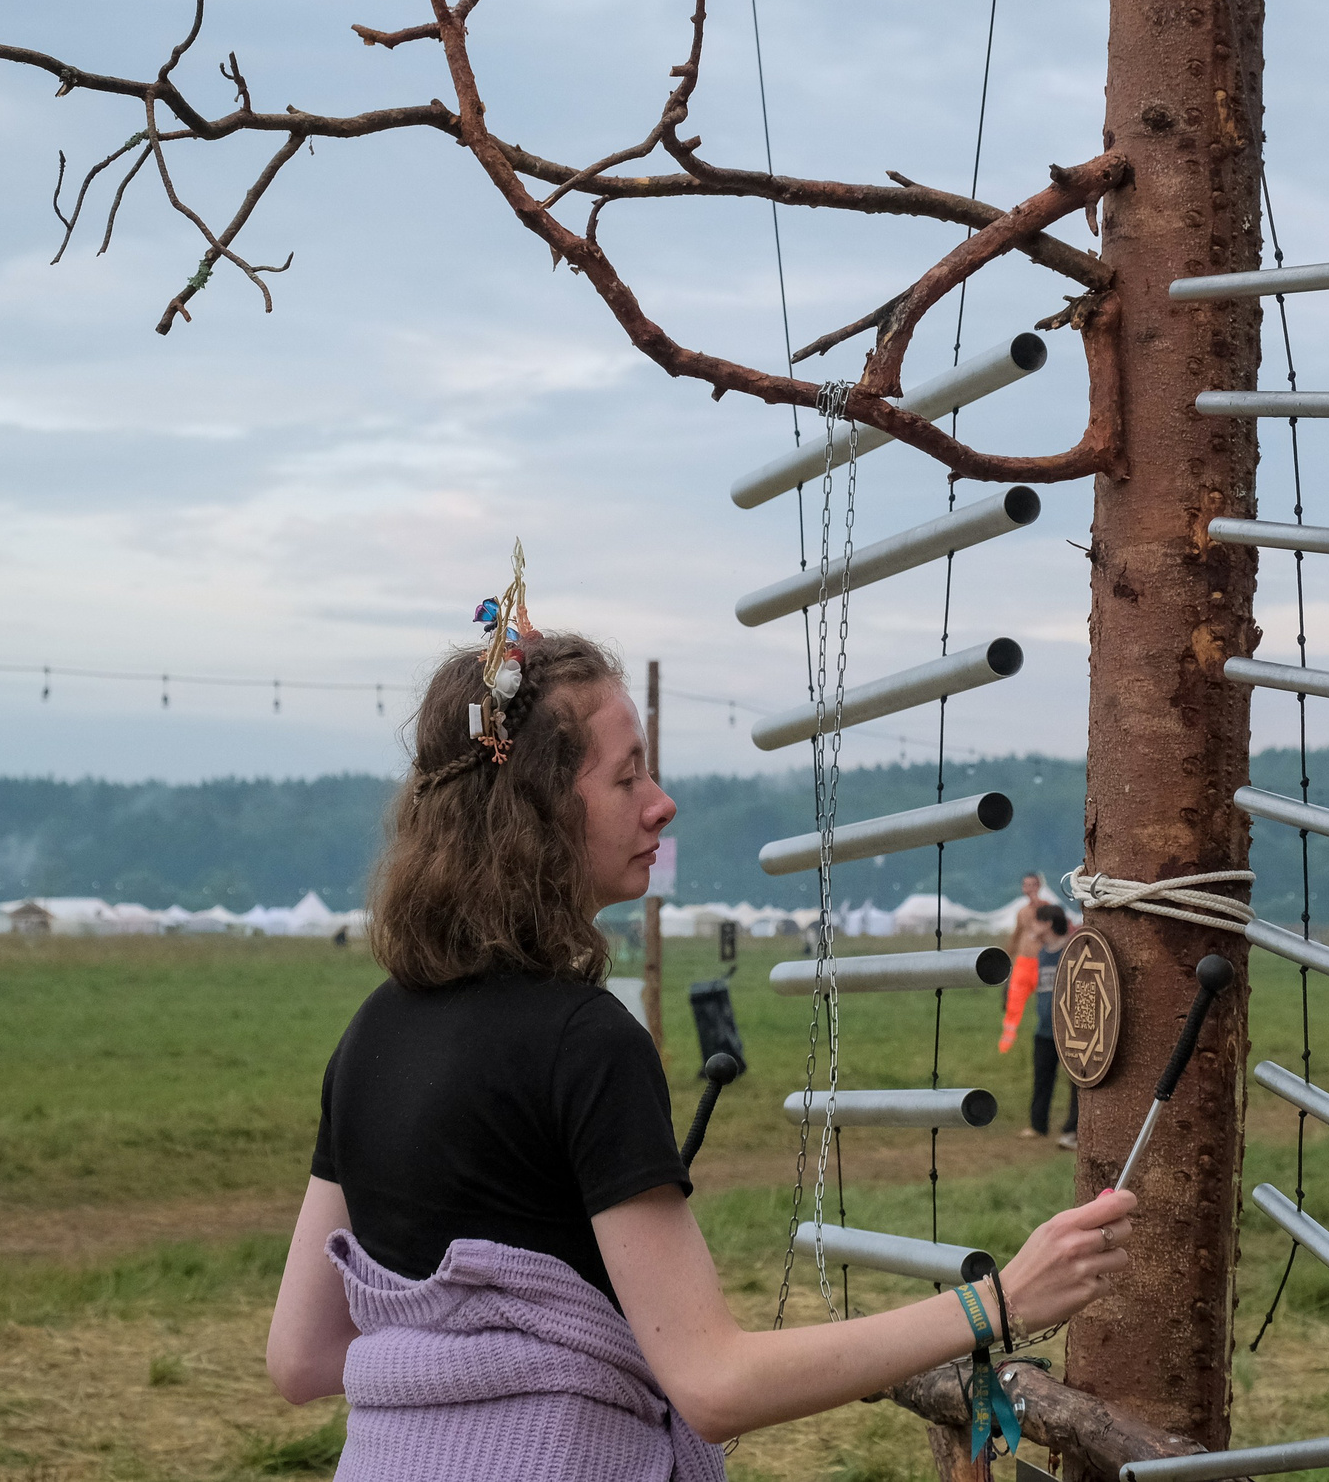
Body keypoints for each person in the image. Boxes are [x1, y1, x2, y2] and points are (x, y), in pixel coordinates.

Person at [264, 628, 1135, 1467]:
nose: (661, 801)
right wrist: (998, 1301)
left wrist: (466, 1387)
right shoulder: (587, 1041)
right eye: (626, 776)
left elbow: (300, 1356)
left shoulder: (372, 1028)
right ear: (535, 811)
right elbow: (714, 1382)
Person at [1022, 905, 1080, 1148]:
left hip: (1069, 1029)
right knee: (1042, 1077)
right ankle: (1038, 1124)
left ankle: (1074, 1128)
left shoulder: (1072, 949)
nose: (1032, 927)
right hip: (1044, 1029)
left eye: (1036, 922)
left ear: (1047, 923)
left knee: (1077, 1082)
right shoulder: (1043, 953)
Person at [1000, 873, 1061, 1054]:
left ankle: (1052, 1035)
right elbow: (1016, 935)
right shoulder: (1022, 912)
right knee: (1014, 1002)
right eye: (1026, 885)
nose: (1030, 889)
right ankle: (1007, 1043)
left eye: (1033, 885)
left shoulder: (1046, 909)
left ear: (1039, 886)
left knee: (1047, 1002)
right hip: (1023, 962)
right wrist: (1006, 956)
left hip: (1042, 963)